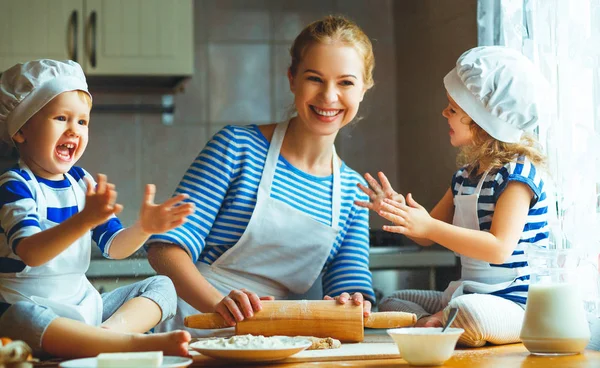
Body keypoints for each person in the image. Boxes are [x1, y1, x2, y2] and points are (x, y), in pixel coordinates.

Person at [147, 15, 376, 335]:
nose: (328, 96)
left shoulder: (354, 191)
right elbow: (165, 247)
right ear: (292, 79)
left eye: (346, 82)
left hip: (271, 341)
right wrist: (217, 304)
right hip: (187, 327)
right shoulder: (237, 148)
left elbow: (350, 287)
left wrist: (356, 302)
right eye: (314, 78)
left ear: (364, 89)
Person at [357, 46, 550, 347]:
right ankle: (434, 324)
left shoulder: (517, 177)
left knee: (469, 313)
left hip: (514, 305)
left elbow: (499, 249)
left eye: (453, 109)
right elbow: (427, 236)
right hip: (467, 293)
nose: (444, 113)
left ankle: (446, 323)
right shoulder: (465, 176)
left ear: (481, 119)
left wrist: (429, 227)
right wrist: (403, 214)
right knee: (394, 301)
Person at [0, 59, 194, 358]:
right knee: (19, 319)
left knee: (162, 286)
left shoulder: (81, 181)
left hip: (85, 310)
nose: (74, 130)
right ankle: (131, 344)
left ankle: (106, 336)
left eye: (82, 121)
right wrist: (84, 220)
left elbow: (114, 247)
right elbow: (31, 252)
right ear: (21, 131)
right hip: (31, 306)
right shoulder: (14, 184)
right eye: (61, 118)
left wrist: (145, 228)